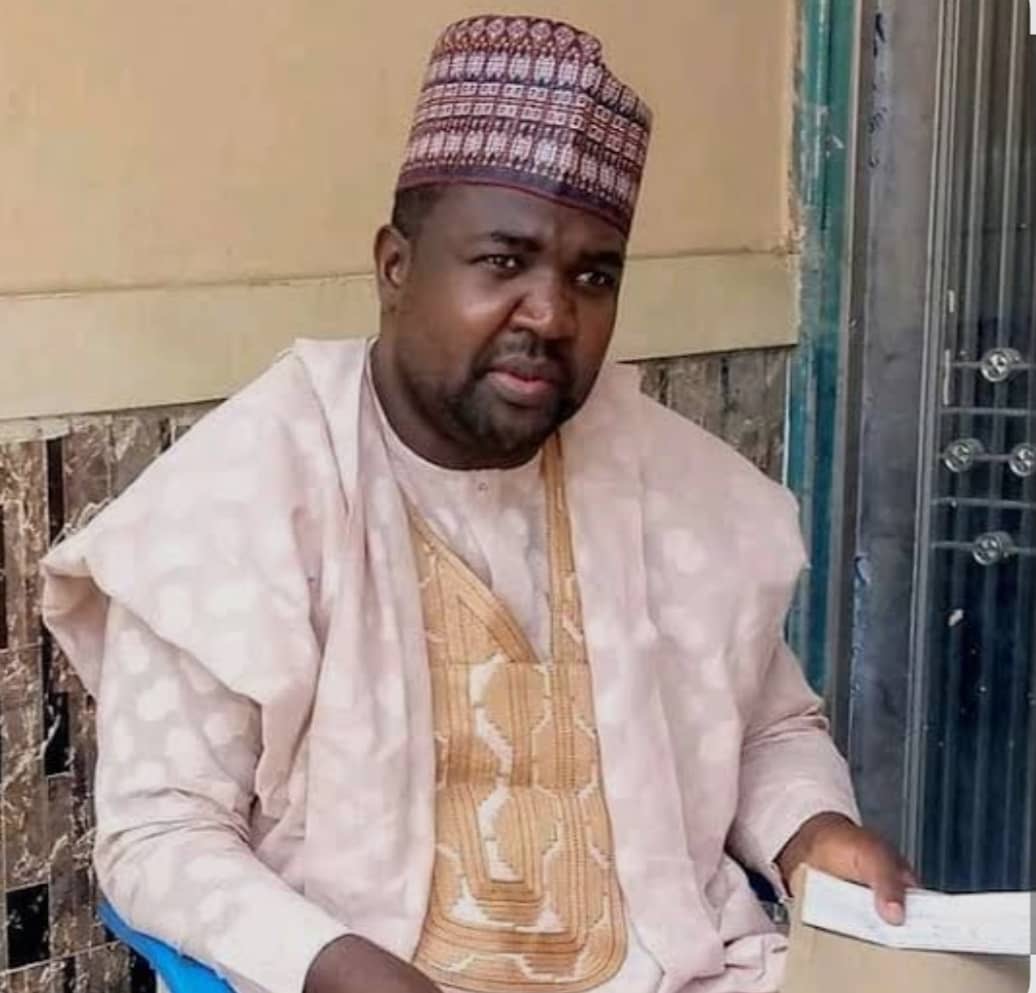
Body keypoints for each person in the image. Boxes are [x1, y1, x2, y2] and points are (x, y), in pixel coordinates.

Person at [41, 14, 913, 993]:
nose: (551, 313)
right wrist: (329, 964)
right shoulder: (250, 492)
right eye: (503, 262)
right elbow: (161, 833)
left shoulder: (673, 487)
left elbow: (764, 729)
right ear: (395, 267)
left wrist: (813, 832)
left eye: (593, 276)